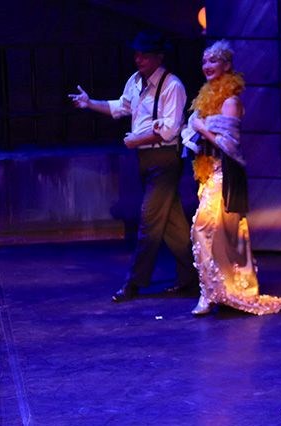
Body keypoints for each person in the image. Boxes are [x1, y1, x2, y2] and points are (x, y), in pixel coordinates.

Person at [68, 30, 198, 302]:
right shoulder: (135, 81)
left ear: (158, 57)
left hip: (165, 159)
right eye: (137, 55)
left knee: (149, 221)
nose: (138, 60)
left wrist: (136, 139)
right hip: (144, 159)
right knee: (172, 224)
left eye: (145, 55)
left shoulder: (172, 86)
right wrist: (90, 103)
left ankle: (134, 283)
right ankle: (193, 277)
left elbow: (169, 130)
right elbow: (121, 107)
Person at [181, 40, 281, 316]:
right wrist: (194, 130)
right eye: (204, 61)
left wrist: (201, 127)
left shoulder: (230, 101)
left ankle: (220, 291)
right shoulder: (205, 98)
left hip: (225, 175)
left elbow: (228, 144)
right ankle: (213, 291)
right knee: (216, 234)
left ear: (226, 65)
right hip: (208, 173)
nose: (207, 66)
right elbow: (194, 135)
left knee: (204, 229)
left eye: (213, 61)